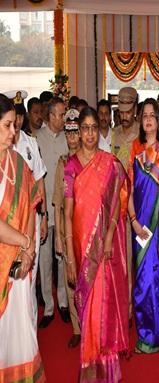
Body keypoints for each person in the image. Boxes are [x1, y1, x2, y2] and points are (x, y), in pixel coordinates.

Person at [65, 106, 133, 382]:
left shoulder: (109, 163)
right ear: (78, 132)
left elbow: (118, 202)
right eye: (86, 128)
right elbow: (67, 214)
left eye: (94, 127)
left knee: (103, 303)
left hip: (103, 246)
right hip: (82, 246)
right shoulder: (71, 167)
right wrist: (70, 257)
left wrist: (107, 238)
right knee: (87, 305)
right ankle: (89, 364)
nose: (91, 133)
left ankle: (107, 365)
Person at [0, 93, 44, 382]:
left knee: (21, 331)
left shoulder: (18, 161)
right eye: (6, 126)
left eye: (14, 125)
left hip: (19, 264)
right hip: (5, 260)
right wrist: (26, 244)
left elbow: (30, 205)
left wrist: (28, 253)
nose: (14, 132)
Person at [127, 99, 159, 354]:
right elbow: (129, 193)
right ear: (140, 120)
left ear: (158, 119)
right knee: (143, 282)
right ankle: (146, 334)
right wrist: (134, 222)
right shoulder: (135, 154)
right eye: (143, 115)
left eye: (152, 115)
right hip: (141, 229)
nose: (148, 119)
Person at [35, 98, 67, 335]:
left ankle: (64, 303)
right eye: (62, 114)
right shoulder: (35, 139)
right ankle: (48, 307)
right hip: (44, 212)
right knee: (45, 262)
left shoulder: (68, 137)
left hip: (64, 211)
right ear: (51, 117)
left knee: (63, 261)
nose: (65, 118)